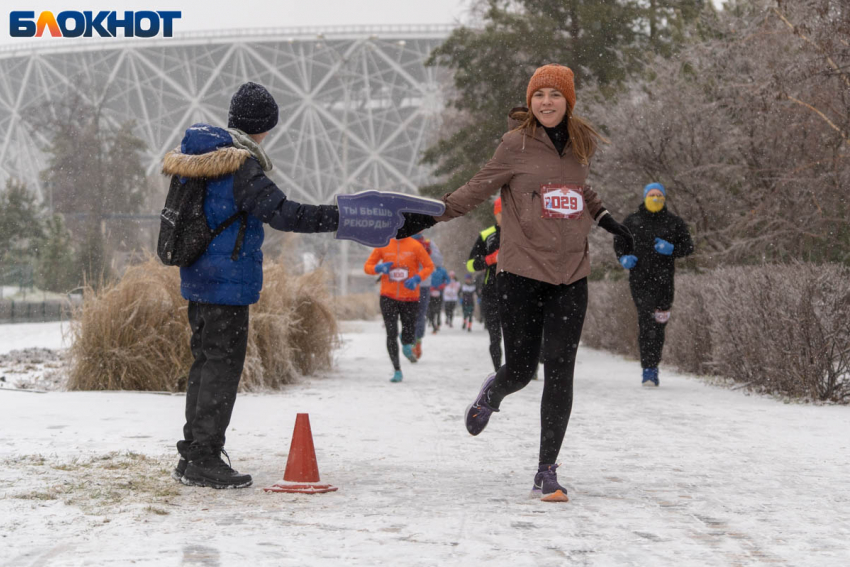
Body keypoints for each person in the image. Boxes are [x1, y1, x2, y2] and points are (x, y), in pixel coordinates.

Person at [397, 64, 634, 502]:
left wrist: (609, 221)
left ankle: (547, 470)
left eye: (555, 95)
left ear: (569, 101)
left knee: (562, 370)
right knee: (523, 369)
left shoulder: (581, 144)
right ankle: (495, 389)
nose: (547, 102)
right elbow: (474, 190)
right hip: (522, 274)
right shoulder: (515, 144)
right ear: (530, 101)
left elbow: (582, 191)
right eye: (539, 94)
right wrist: (423, 218)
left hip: (572, 274)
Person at [163, 82, 340, 489]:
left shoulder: (198, 157)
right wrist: (338, 217)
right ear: (261, 127)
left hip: (198, 278)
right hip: (227, 283)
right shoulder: (239, 166)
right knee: (222, 369)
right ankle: (205, 457)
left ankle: (191, 455)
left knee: (205, 365)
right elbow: (284, 213)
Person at [614, 182, 694, 387]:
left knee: (659, 324)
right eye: (652, 195)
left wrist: (672, 249)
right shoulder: (632, 221)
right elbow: (619, 243)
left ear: (665, 198)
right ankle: (648, 370)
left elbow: (688, 247)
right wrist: (624, 258)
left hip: (665, 283)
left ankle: (653, 364)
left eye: (659, 195)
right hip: (640, 281)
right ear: (645, 197)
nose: (656, 198)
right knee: (647, 320)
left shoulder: (674, 222)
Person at [364, 237, 434, 383]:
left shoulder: (415, 246)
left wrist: (417, 278)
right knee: (391, 333)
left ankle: (407, 342)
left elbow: (429, 266)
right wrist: (378, 268)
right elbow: (367, 266)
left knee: (409, 329)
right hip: (388, 296)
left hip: (410, 297)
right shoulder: (382, 244)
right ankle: (397, 369)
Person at [467, 197, 503, 372]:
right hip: (492, 291)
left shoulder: (524, 233)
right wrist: (489, 259)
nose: (505, 217)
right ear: (496, 214)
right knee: (495, 337)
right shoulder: (486, 235)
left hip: (519, 293)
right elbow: (470, 264)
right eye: (501, 213)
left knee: (520, 335)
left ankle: (525, 368)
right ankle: (498, 372)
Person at [411, 234, 444, 358]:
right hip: (408, 284)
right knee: (408, 314)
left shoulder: (429, 243)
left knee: (420, 314)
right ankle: (408, 340)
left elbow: (439, 261)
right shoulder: (404, 241)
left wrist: (428, 251)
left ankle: (417, 341)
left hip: (424, 284)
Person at [427, 265, 449, 333]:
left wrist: (443, 285)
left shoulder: (442, 270)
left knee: (438, 309)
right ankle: (433, 324)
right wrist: (429, 286)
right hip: (430, 294)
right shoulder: (428, 269)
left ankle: (438, 323)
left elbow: (448, 280)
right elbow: (423, 278)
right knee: (431, 310)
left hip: (439, 293)